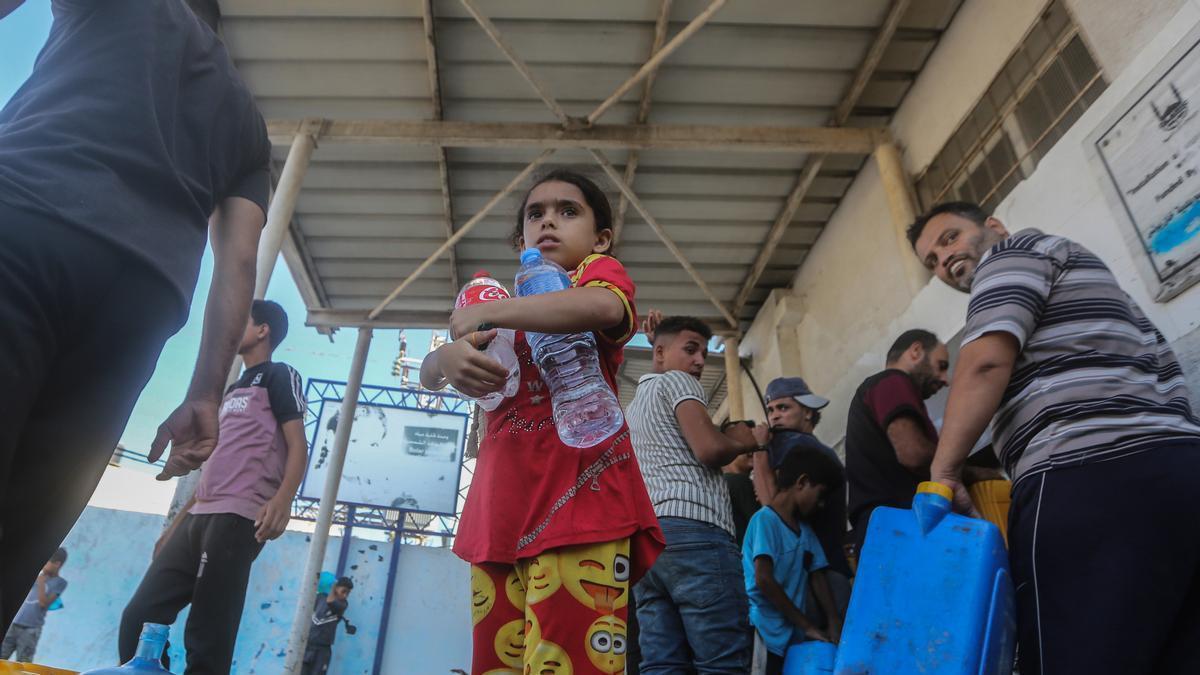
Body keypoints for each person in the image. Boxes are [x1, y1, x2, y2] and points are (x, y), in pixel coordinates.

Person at [0, 0, 270, 632]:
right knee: (29, 520)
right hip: (139, 302)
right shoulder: (247, 121)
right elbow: (238, 264)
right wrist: (206, 392)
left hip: (23, 227)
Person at [910, 201, 1200, 675]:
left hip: (1084, 475)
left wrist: (943, 473)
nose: (943, 260)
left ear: (994, 227)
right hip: (1181, 472)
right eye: (931, 261)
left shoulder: (1009, 254)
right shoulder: (1105, 292)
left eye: (949, 239)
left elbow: (984, 363)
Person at [421, 169, 663, 674]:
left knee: (570, 662)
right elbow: (430, 374)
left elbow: (598, 306)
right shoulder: (490, 304)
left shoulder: (596, 277)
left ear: (600, 239)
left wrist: (499, 314)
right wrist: (447, 359)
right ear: (520, 238)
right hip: (499, 512)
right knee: (498, 663)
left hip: (581, 504)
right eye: (536, 214)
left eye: (568, 211)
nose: (549, 220)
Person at [119, 301, 306, 674]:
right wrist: (174, 529)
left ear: (263, 330)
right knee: (139, 618)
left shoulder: (279, 375)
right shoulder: (230, 390)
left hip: (237, 517)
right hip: (198, 516)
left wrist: (283, 499)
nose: (234, 329)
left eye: (243, 322)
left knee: (208, 636)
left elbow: (298, 444)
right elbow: (215, 467)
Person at [626, 314, 759, 673]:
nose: (700, 360)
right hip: (696, 532)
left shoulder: (635, 406)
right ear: (659, 353)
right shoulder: (679, 382)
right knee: (722, 662)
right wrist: (744, 441)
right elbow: (709, 450)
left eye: (702, 352)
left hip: (649, 544)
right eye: (690, 349)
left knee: (661, 663)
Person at [844, 329, 949, 550]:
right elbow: (913, 454)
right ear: (916, 351)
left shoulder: (880, 389)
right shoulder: (892, 381)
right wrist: (968, 471)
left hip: (887, 530)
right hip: (899, 528)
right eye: (941, 366)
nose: (944, 379)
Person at [744, 450, 844, 675]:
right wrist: (807, 625)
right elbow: (763, 579)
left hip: (791, 636)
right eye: (821, 495)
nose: (821, 505)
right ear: (803, 482)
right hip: (763, 631)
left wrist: (833, 621)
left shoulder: (805, 532)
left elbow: (817, 574)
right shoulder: (765, 521)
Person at [751, 377, 849, 578]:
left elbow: (772, 508)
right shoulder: (813, 447)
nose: (775, 416)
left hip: (815, 572)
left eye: (783, 408)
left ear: (807, 412)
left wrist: (759, 449)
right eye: (770, 410)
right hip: (824, 566)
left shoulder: (794, 444)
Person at [0, 548, 67, 663]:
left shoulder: (59, 583)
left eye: (47, 562)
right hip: (14, 624)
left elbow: (43, 603)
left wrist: (41, 582)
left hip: (31, 630)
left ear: (57, 564)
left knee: (23, 663)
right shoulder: (34, 575)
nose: (43, 565)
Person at [301, 576, 354, 675]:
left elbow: (330, 601)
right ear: (336, 588)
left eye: (348, 593)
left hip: (323, 649)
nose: (345, 595)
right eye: (343, 591)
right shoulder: (321, 597)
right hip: (309, 645)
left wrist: (333, 585)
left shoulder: (342, 605)